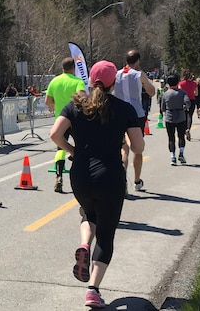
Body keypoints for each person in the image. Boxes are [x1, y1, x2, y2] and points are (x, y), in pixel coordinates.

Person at [50, 60, 144, 308]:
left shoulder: (76, 105)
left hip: (80, 174)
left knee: (89, 212)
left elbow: (54, 134)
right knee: (106, 234)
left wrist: (73, 150)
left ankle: (83, 244)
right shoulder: (125, 109)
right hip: (110, 176)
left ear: (90, 80)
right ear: (114, 83)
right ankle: (92, 289)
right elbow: (138, 147)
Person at [113, 50, 155, 193]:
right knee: (137, 148)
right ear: (137, 61)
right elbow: (151, 91)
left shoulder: (117, 74)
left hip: (118, 113)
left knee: (123, 148)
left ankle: (121, 180)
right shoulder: (139, 74)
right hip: (136, 113)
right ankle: (137, 181)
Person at [45, 57, 86, 192]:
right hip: (75, 119)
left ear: (62, 68)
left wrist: (56, 107)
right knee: (82, 146)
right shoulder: (77, 81)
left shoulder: (54, 81)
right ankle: (83, 176)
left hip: (60, 120)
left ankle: (58, 177)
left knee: (60, 148)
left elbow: (47, 101)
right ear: (73, 68)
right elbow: (82, 97)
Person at [161, 75, 191, 165]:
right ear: (177, 82)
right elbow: (188, 103)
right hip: (181, 116)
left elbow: (162, 108)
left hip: (169, 117)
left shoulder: (165, 94)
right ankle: (181, 153)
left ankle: (172, 157)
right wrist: (185, 107)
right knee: (181, 136)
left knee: (171, 138)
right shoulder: (182, 93)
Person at [178, 71, 198, 141]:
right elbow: (196, 94)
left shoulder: (181, 83)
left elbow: (179, 92)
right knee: (190, 116)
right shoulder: (194, 84)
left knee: (184, 116)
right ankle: (188, 128)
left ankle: (184, 129)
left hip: (183, 100)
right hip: (192, 100)